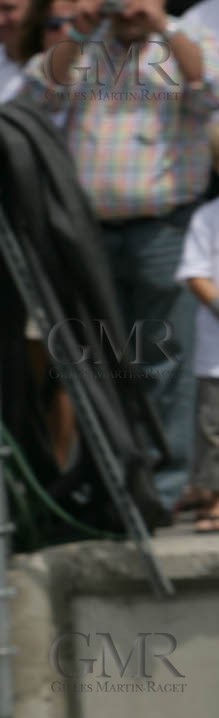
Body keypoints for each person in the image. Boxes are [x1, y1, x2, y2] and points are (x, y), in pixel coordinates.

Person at [18, 0, 219, 515]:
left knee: (162, 361)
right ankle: (108, 483)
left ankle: (163, 487)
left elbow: (212, 92)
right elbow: (31, 98)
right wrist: (82, 34)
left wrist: (162, 27)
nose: (127, 8)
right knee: (97, 360)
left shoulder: (187, 42)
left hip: (163, 227)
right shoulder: (83, 48)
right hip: (90, 233)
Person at [176, 140, 219, 530]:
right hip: (215, 355)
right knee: (213, 427)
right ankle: (213, 498)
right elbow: (194, 272)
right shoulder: (208, 217)